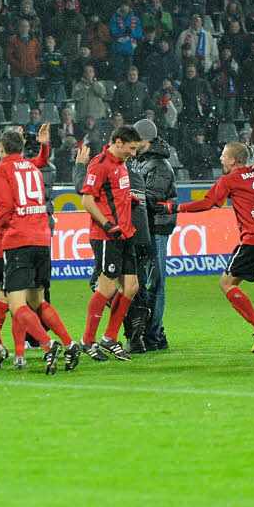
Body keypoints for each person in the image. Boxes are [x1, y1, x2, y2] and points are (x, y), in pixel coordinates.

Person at [161, 142, 254, 350]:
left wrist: (175, 207)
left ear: (233, 161)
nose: (221, 159)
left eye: (224, 156)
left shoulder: (230, 180)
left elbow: (208, 202)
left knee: (227, 284)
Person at [0, 129, 80, 373]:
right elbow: (43, 162)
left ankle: (48, 344)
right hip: (42, 238)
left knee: (16, 304)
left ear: (1, 149)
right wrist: (44, 146)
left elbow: (4, 208)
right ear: (21, 147)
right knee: (38, 300)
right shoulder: (31, 168)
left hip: (19, 241)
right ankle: (69, 343)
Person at [78, 125, 143, 361]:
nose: (133, 153)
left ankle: (110, 337)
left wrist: (129, 201)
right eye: (131, 148)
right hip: (107, 236)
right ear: (117, 142)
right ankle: (87, 340)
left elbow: (114, 193)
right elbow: (87, 200)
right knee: (106, 289)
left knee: (131, 287)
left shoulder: (121, 163)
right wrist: (107, 224)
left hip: (125, 233)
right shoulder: (100, 163)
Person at [134, 119, 176, 351]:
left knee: (156, 283)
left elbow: (152, 197)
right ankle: (153, 333)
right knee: (147, 283)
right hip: (149, 228)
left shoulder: (158, 165)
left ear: (146, 140)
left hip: (156, 228)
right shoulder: (148, 162)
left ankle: (154, 335)